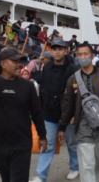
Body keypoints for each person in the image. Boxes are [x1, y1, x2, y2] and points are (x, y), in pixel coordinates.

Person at [0, 48, 47, 182]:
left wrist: (42, 135)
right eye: (15, 61)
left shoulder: (28, 86)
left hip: (21, 144)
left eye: (20, 61)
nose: (19, 64)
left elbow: (37, 112)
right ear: (3, 64)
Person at [58, 42, 99, 182]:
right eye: (80, 54)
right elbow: (68, 105)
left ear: (93, 55)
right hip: (83, 127)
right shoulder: (72, 79)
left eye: (86, 54)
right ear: (77, 56)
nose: (83, 57)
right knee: (87, 164)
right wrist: (62, 127)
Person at [30, 38, 80, 182]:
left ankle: (75, 167)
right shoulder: (47, 67)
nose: (57, 51)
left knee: (71, 143)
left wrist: (75, 114)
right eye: (54, 49)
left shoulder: (73, 69)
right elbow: (43, 89)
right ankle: (41, 176)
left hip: (68, 114)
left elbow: (78, 94)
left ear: (65, 50)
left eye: (60, 49)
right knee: (48, 145)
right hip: (50, 114)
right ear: (51, 51)